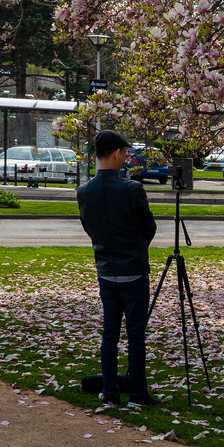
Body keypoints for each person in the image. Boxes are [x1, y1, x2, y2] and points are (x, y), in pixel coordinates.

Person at [76, 130, 161, 406]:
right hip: (133, 270)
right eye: (124, 153)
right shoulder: (132, 189)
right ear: (116, 154)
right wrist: (135, 249)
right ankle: (137, 394)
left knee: (110, 332)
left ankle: (110, 392)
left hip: (106, 270)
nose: (126, 158)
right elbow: (149, 227)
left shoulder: (84, 191)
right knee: (135, 335)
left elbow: (90, 227)